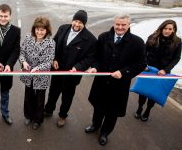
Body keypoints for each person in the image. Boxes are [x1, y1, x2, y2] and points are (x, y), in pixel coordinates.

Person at [85, 14, 146, 146]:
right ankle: (95, 125)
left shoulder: (137, 42)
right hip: (101, 83)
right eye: (117, 24)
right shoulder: (103, 37)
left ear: (129, 25)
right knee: (98, 107)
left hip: (120, 85)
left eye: (123, 25)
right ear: (114, 23)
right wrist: (95, 67)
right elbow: (96, 57)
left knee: (112, 112)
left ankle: (105, 133)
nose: (120, 27)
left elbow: (141, 64)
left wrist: (124, 72)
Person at [44, 10, 97, 127]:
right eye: (76, 21)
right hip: (57, 70)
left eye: (81, 23)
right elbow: (54, 44)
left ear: (84, 24)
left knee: (67, 97)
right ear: (72, 20)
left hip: (72, 74)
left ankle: (62, 116)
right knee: (53, 92)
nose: (77, 24)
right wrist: (54, 59)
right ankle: (48, 110)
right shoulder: (63, 28)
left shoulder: (90, 39)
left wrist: (78, 67)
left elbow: (90, 58)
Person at [134, 19, 181, 122]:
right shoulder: (153, 37)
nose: (167, 31)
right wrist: (144, 65)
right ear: (161, 28)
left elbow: (176, 58)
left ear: (174, 30)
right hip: (149, 69)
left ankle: (147, 110)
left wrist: (166, 70)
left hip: (163, 72)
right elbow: (144, 52)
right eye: (165, 28)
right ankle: (140, 107)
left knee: (154, 93)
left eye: (170, 29)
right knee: (143, 91)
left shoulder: (177, 42)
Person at [19, 17, 55, 130]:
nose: (39, 32)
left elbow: (49, 61)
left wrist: (38, 68)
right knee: (28, 96)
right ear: (34, 29)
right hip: (28, 73)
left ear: (47, 30)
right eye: (37, 29)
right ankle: (28, 116)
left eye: (42, 30)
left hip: (41, 76)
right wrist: (23, 62)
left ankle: (38, 120)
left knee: (40, 99)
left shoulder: (51, 43)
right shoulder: (28, 37)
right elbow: (21, 53)